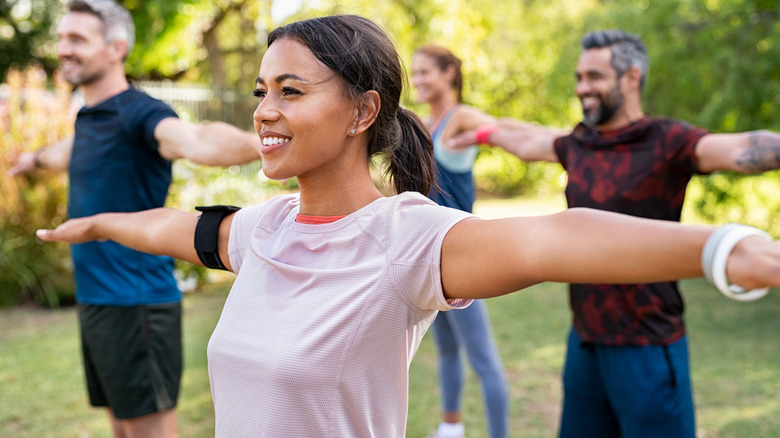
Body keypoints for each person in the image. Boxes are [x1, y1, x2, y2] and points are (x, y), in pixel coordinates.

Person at [34, 16, 780, 437]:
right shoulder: (265, 230)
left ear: (362, 111)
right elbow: (176, 228)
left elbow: (554, 238)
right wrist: (99, 222)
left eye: (290, 90)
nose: (264, 110)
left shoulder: (406, 240)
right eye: (262, 90)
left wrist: (723, 247)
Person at [448, 29, 780, 438]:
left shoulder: (667, 141)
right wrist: (481, 135)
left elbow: (741, 148)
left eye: (594, 76)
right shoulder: (578, 143)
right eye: (579, 77)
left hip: (647, 346)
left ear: (631, 77)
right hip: (585, 342)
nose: (582, 88)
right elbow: (526, 140)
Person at [8, 1, 260, 437]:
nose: (63, 48)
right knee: (122, 428)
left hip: (137, 304)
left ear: (116, 48)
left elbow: (195, 139)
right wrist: (30, 160)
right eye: (63, 37)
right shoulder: (91, 118)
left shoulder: (140, 113)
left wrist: (263, 143)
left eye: (77, 39)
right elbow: (65, 153)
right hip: (97, 302)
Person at [411, 44, 508, 438]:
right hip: (431, 259)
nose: (417, 80)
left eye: (424, 72)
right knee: (448, 350)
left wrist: (562, 142)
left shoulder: (461, 118)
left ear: (449, 72)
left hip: (463, 256)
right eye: (415, 73)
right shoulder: (424, 124)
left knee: (483, 359)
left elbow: (503, 130)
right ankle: (450, 428)